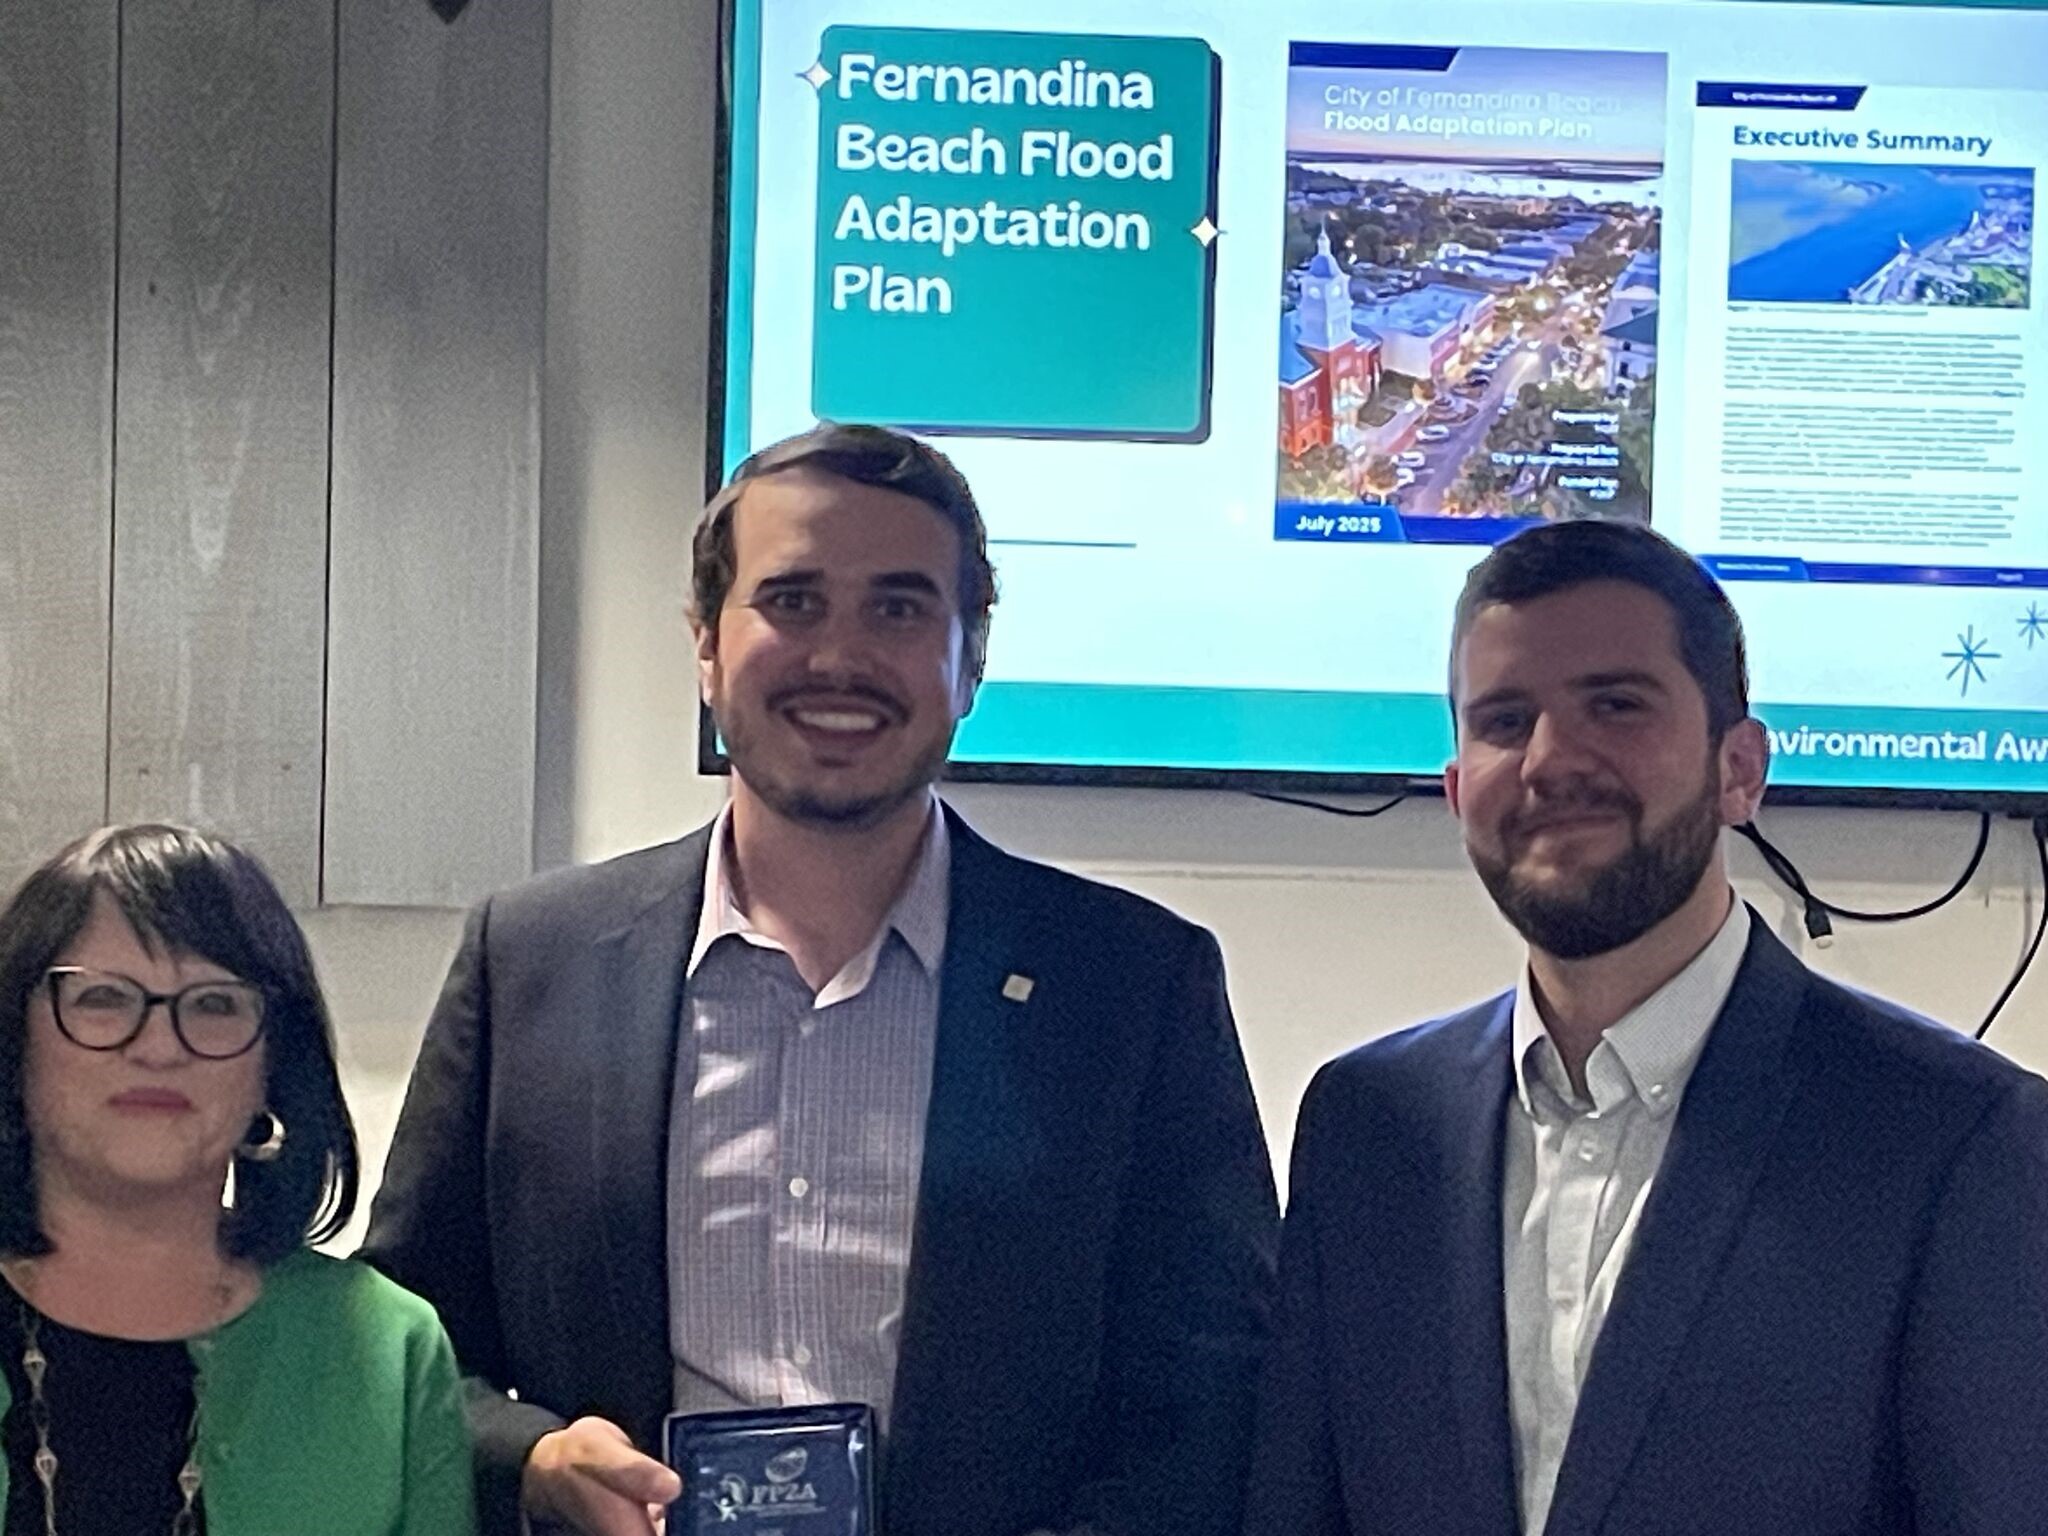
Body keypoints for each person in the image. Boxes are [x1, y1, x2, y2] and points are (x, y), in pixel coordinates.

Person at [362, 422, 1279, 1536]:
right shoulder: (531, 961)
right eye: (792, 601)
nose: (840, 656)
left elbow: (1211, 1398)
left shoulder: (1132, 988)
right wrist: (536, 1460)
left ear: (970, 661)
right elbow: (402, 1341)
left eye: (898, 608)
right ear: (706, 646)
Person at [1249, 520, 2048, 1536]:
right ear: (1454, 791)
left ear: (1738, 769)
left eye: (1615, 705)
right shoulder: (1367, 1124)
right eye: (1504, 721)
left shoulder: (1950, 1136)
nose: (1549, 760)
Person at [0, 823, 475, 1534]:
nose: (159, 1046)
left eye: (214, 1004)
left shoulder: (386, 1347)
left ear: (272, 1067)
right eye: (102, 998)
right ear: (15, 1043)